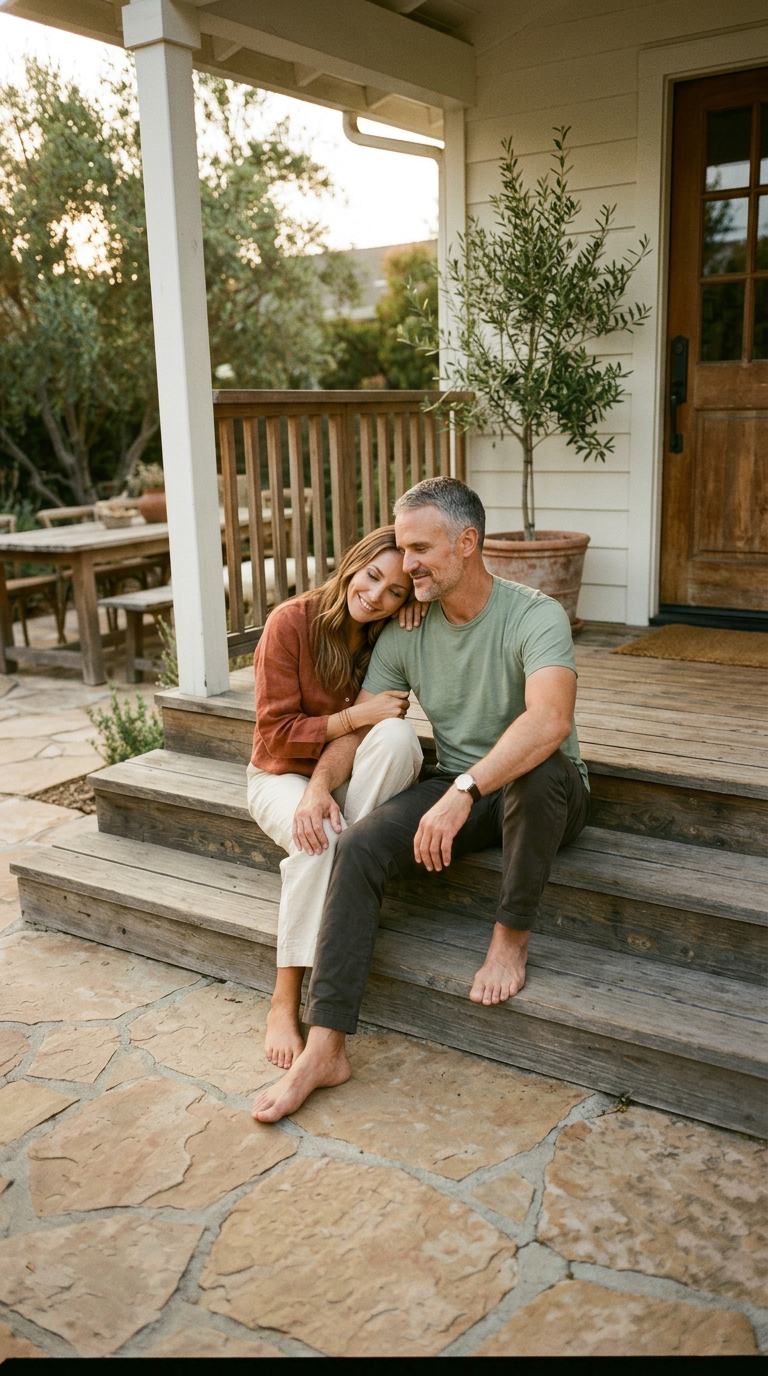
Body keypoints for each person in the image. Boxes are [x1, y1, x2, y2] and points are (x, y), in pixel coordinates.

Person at [252, 476, 590, 1123]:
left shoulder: (533, 614)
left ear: (466, 542)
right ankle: (325, 1046)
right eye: (401, 548)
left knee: (540, 773)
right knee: (357, 844)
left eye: (418, 549)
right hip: (459, 787)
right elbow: (363, 723)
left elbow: (549, 722)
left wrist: (464, 788)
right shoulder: (407, 628)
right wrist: (321, 787)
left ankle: (510, 937)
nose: (405, 566)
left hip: (544, 793)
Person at [247, 526, 424, 1070]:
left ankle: (350, 863)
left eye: (396, 591)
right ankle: (284, 1001)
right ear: (353, 564)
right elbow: (275, 733)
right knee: (317, 841)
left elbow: (373, 732)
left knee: (397, 739)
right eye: (372, 577)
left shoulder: (387, 632)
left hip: (343, 777)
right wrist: (351, 719)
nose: (376, 597)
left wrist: (421, 608)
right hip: (279, 774)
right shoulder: (290, 623)